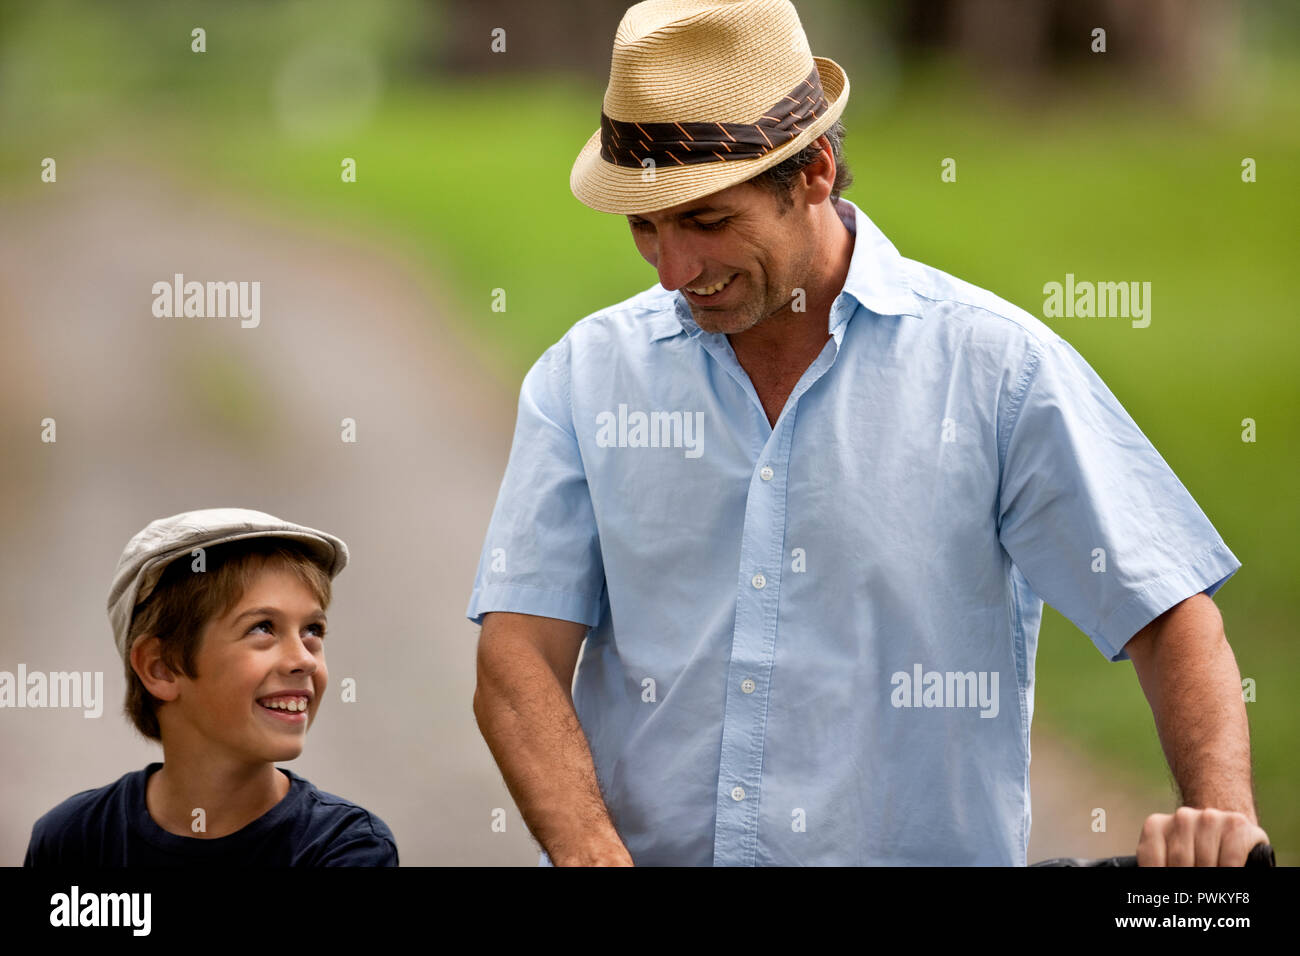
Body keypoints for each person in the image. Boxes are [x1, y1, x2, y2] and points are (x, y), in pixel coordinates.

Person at [466, 0, 1266, 866]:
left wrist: (1221, 827)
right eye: (644, 228)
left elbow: (1168, 614)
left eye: (705, 221)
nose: (674, 270)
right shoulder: (584, 378)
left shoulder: (996, 369)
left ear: (812, 172)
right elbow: (519, 658)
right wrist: (590, 852)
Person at [25, 508, 399, 866]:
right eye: (263, 628)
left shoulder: (346, 846)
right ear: (161, 668)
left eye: (312, 631)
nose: (304, 659)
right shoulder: (73, 839)